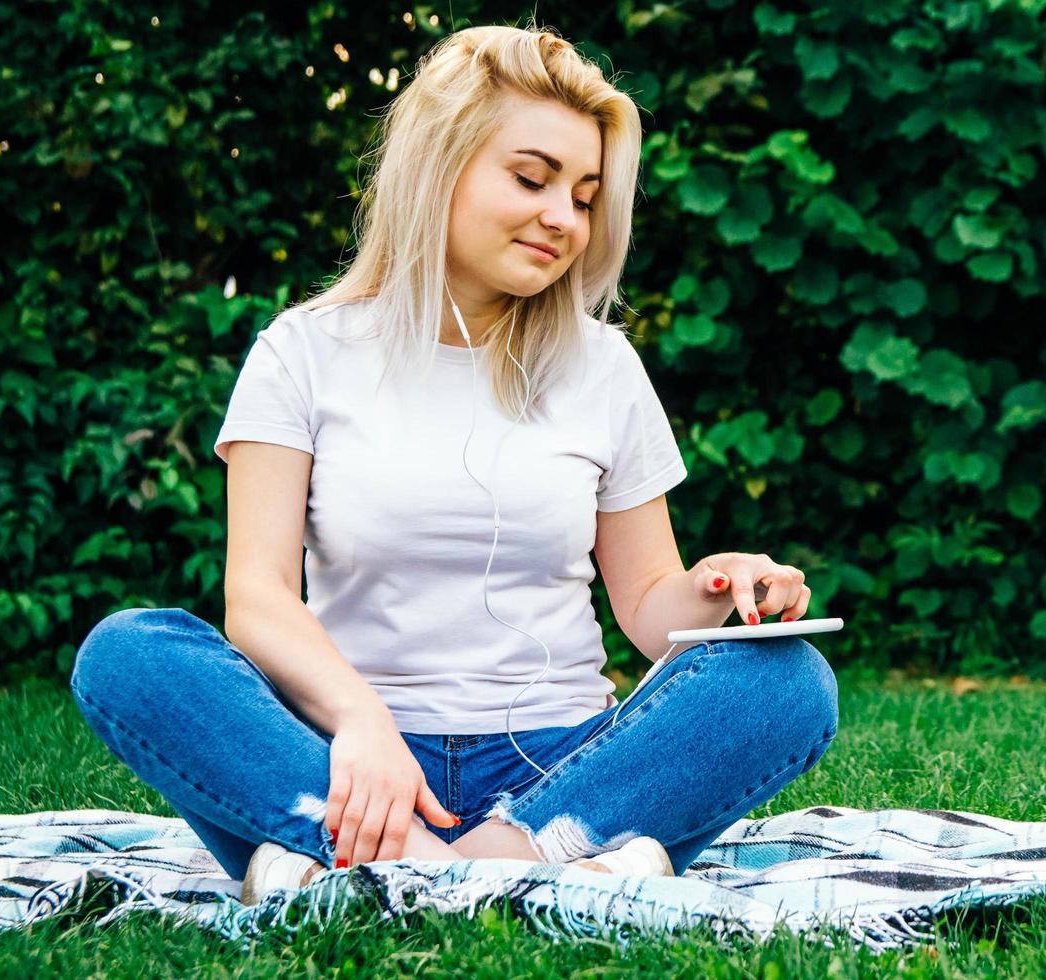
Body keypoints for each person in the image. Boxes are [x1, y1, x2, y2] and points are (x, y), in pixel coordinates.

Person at [69, 24, 837, 904]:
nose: (564, 219)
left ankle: (375, 866)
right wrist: (360, 723)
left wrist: (722, 588)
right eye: (532, 177)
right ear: (438, 165)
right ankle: (539, 870)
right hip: (350, 755)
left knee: (785, 682)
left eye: (584, 197)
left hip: (564, 758)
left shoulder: (603, 365)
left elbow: (648, 605)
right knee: (129, 652)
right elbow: (258, 599)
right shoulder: (302, 352)